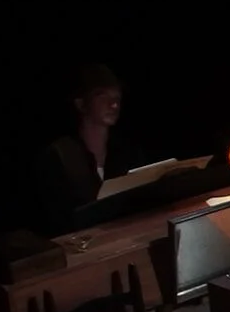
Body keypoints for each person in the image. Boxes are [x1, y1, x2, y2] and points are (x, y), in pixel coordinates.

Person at [33, 63, 151, 232]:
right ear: (81, 104)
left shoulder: (128, 152)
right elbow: (56, 221)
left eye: (117, 98)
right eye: (102, 97)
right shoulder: (59, 156)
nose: (114, 105)